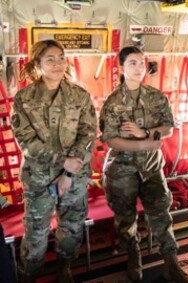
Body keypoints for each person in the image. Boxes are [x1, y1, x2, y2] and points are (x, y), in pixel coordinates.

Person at [99, 46, 188, 283]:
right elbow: (111, 139)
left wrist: (145, 132)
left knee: (161, 214)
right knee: (125, 218)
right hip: (122, 170)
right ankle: (133, 255)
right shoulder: (112, 102)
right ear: (122, 67)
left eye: (142, 62)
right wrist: (143, 145)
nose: (139, 67)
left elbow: (168, 128)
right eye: (132, 62)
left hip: (151, 168)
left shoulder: (156, 96)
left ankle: (171, 263)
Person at [11, 39, 97, 283]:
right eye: (50, 58)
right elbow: (26, 141)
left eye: (61, 57)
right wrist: (64, 162)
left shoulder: (79, 95)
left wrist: (69, 172)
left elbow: (88, 133)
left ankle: (64, 268)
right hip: (39, 178)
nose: (58, 63)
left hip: (75, 177)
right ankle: (29, 274)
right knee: (36, 233)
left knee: (71, 228)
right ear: (37, 64)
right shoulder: (24, 98)